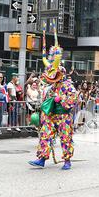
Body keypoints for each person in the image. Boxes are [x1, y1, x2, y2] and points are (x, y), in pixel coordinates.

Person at [29, 20, 78, 170]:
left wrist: (61, 99)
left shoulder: (68, 86)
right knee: (45, 136)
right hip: (50, 116)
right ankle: (42, 159)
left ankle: (67, 161)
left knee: (65, 138)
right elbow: (44, 100)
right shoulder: (49, 87)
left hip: (63, 116)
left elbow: (73, 100)